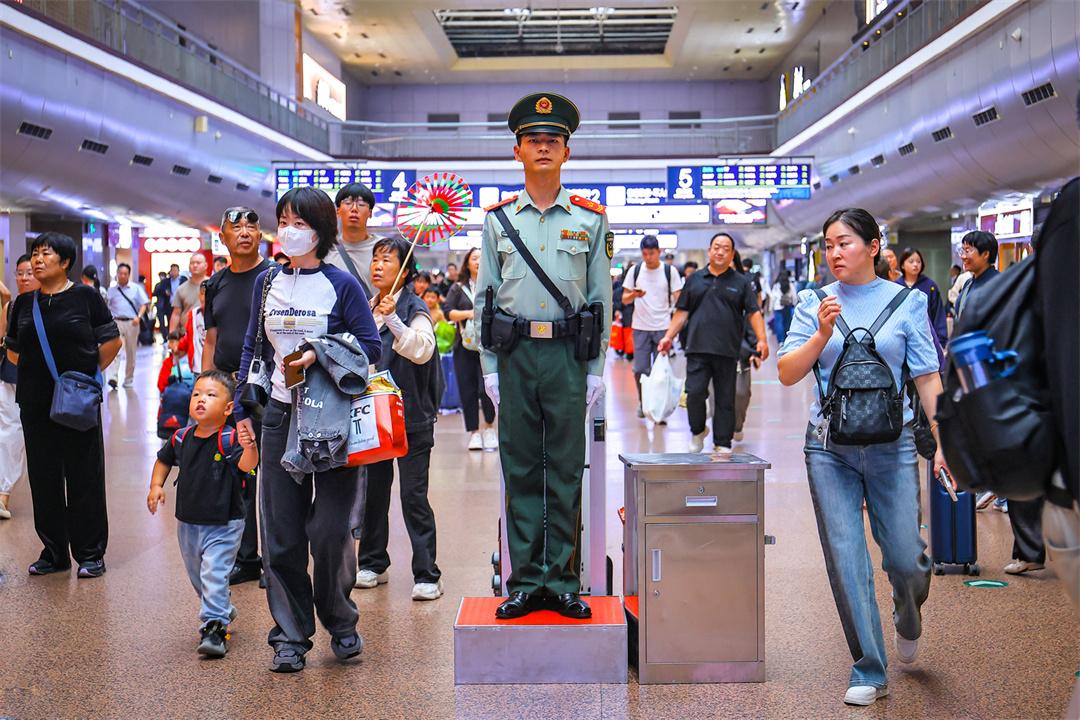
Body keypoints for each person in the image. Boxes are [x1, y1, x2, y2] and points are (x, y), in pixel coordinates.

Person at [777, 208, 946, 707]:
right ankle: (869, 669)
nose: (834, 253)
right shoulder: (813, 303)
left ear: (874, 247)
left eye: (844, 243)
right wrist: (821, 334)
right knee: (847, 557)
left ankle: (907, 611)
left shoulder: (908, 302)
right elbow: (787, 372)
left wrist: (943, 444)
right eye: (828, 245)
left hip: (893, 446)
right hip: (829, 448)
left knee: (907, 559)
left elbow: (927, 377)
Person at [473, 92, 612, 620]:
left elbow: (600, 299)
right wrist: (489, 368)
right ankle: (526, 582)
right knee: (521, 468)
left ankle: (563, 581)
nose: (544, 147)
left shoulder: (591, 220)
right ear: (518, 151)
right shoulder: (497, 221)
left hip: (567, 358)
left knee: (567, 470)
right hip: (514, 355)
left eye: (553, 140)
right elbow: (485, 299)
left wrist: (595, 370)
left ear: (567, 152)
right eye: (533, 140)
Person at [235, 186, 380, 673]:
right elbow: (252, 346)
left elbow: (371, 346)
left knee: (330, 530)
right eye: (283, 221)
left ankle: (340, 620)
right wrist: (241, 409)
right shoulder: (267, 283)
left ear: (320, 231)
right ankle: (290, 636)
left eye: (299, 223)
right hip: (280, 415)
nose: (288, 231)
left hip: (331, 416)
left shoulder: (342, 285)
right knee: (281, 532)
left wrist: (319, 351)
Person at [4, 232, 121, 578]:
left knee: (84, 475)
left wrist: (85, 377)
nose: (38, 260)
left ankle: (90, 553)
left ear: (66, 261)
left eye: (47, 253)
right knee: (43, 478)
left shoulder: (85, 297)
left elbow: (111, 342)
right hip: (35, 403)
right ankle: (54, 552)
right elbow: (14, 352)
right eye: (35, 254)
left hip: (77, 402)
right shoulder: (24, 304)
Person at [148, 370, 259, 658]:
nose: (201, 399)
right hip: (188, 522)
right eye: (196, 394)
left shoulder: (229, 439)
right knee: (199, 576)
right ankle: (220, 606)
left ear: (228, 408)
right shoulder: (181, 437)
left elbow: (247, 466)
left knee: (213, 572)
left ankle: (215, 628)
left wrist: (250, 447)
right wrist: (156, 486)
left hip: (225, 523)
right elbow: (163, 461)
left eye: (210, 395)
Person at [356, 236, 443, 600]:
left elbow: (422, 350)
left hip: (411, 416)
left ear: (404, 271)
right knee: (373, 494)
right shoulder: (366, 306)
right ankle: (373, 563)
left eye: (387, 260)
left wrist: (393, 318)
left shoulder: (414, 307)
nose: (378, 266)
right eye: (375, 259)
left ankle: (427, 574)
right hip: (374, 417)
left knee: (413, 495)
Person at [203, 207, 274, 584]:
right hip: (230, 390)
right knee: (240, 472)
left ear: (260, 236)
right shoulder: (215, 284)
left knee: (275, 478)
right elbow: (211, 340)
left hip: (270, 390)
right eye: (236, 227)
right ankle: (246, 558)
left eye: (251, 226)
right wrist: (207, 389)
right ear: (223, 238)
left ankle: (276, 562)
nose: (244, 232)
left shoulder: (275, 277)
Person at [658, 232, 768, 454]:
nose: (720, 252)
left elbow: (754, 312)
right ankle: (698, 430)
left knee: (725, 398)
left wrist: (762, 340)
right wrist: (668, 336)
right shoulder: (695, 280)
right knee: (694, 393)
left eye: (726, 249)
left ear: (732, 254)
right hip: (697, 348)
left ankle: (723, 443)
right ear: (709, 251)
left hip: (727, 350)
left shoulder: (741, 282)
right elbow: (682, 311)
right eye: (716, 247)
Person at [621, 235, 684, 419]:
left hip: (663, 328)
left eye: (652, 253)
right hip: (640, 327)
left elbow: (679, 299)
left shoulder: (669, 271)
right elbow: (624, 299)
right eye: (645, 254)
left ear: (659, 252)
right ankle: (644, 402)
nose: (648, 258)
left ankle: (659, 407)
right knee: (640, 369)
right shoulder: (635, 271)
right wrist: (634, 295)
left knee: (661, 373)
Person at [444, 247, 497, 450]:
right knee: (468, 390)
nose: (478, 261)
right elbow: (448, 312)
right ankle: (474, 432)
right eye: (474, 258)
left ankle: (490, 428)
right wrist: (469, 313)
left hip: (489, 346)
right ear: (467, 263)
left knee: (488, 388)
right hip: (464, 346)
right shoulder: (458, 288)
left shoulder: (493, 285)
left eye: (481, 258)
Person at [0, 255, 38, 519]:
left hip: (40, 379)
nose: (24, 278)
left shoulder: (49, 304)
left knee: (32, 435)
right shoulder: (11, 306)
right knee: (10, 431)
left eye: (29, 273)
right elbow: (3, 340)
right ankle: (3, 493)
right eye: (20, 273)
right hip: (10, 374)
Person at [325, 182, 379, 295]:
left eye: (361, 204)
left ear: (370, 213)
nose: (354, 209)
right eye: (348, 203)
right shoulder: (326, 249)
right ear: (338, 210)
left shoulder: (383, 248)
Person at [732, 252, 763, 442]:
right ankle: (720, 436)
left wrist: (755, 349)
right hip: (714, 350)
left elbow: (752, 317)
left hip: (740, 351)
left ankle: (737, 424)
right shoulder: (706, 286)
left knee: (741, 392)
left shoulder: (744, 287)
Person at [105, 262, 150, 389]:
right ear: (117, 274)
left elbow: (144, 304)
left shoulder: (136, 288)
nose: (122, 276)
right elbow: (107, 306)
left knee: (131, 351)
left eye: (125, 273)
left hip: (132, 322)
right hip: (116, 322)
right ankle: (113, 377)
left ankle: (128, 379)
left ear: (129, 275)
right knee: (115, 350)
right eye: (120, 273)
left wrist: (138, 317)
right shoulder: (111, 290)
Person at [896, 248, 948, 348]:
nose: (915, 264)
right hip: (901, 341)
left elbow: (938, 314)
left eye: (918, 261)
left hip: (926, 341)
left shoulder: (930, 285)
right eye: (911, 261)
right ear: (902, 265)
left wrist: (941, 341)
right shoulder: (896, 286)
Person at [954, 230, 999, 320]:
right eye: (962, 251)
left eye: (968, 251)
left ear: (985, 254)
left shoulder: (999, 283)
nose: (963, 256)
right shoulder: (968, 283)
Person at [170, 252, 208, 334]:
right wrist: (171, 335)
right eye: (192, 263)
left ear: (205, 265)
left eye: (198, 263)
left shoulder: (214, 285)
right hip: (187, 334)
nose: (195, 265)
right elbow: (176, 314)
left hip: (209, 334)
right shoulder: (181, 289)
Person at [153, 266, 180, 343]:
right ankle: (168, 338)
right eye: (172, 270)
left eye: (175, 270)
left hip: (179, 305)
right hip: (168, 305)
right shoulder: (164, 282)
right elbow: (156, 292)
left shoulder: (182, 280)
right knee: (168, 321)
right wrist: (165, 292)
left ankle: (177, 338)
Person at [769, 270, 798, 344]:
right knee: (787, 323)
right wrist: (794, 304)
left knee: (779, 324)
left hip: (777, 307)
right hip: (787, 306)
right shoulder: (790, 284)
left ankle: (780, 341)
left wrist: (771, 307)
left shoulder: (776, 285)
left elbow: (772, 298)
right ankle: (786, 339)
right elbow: (794, 296)